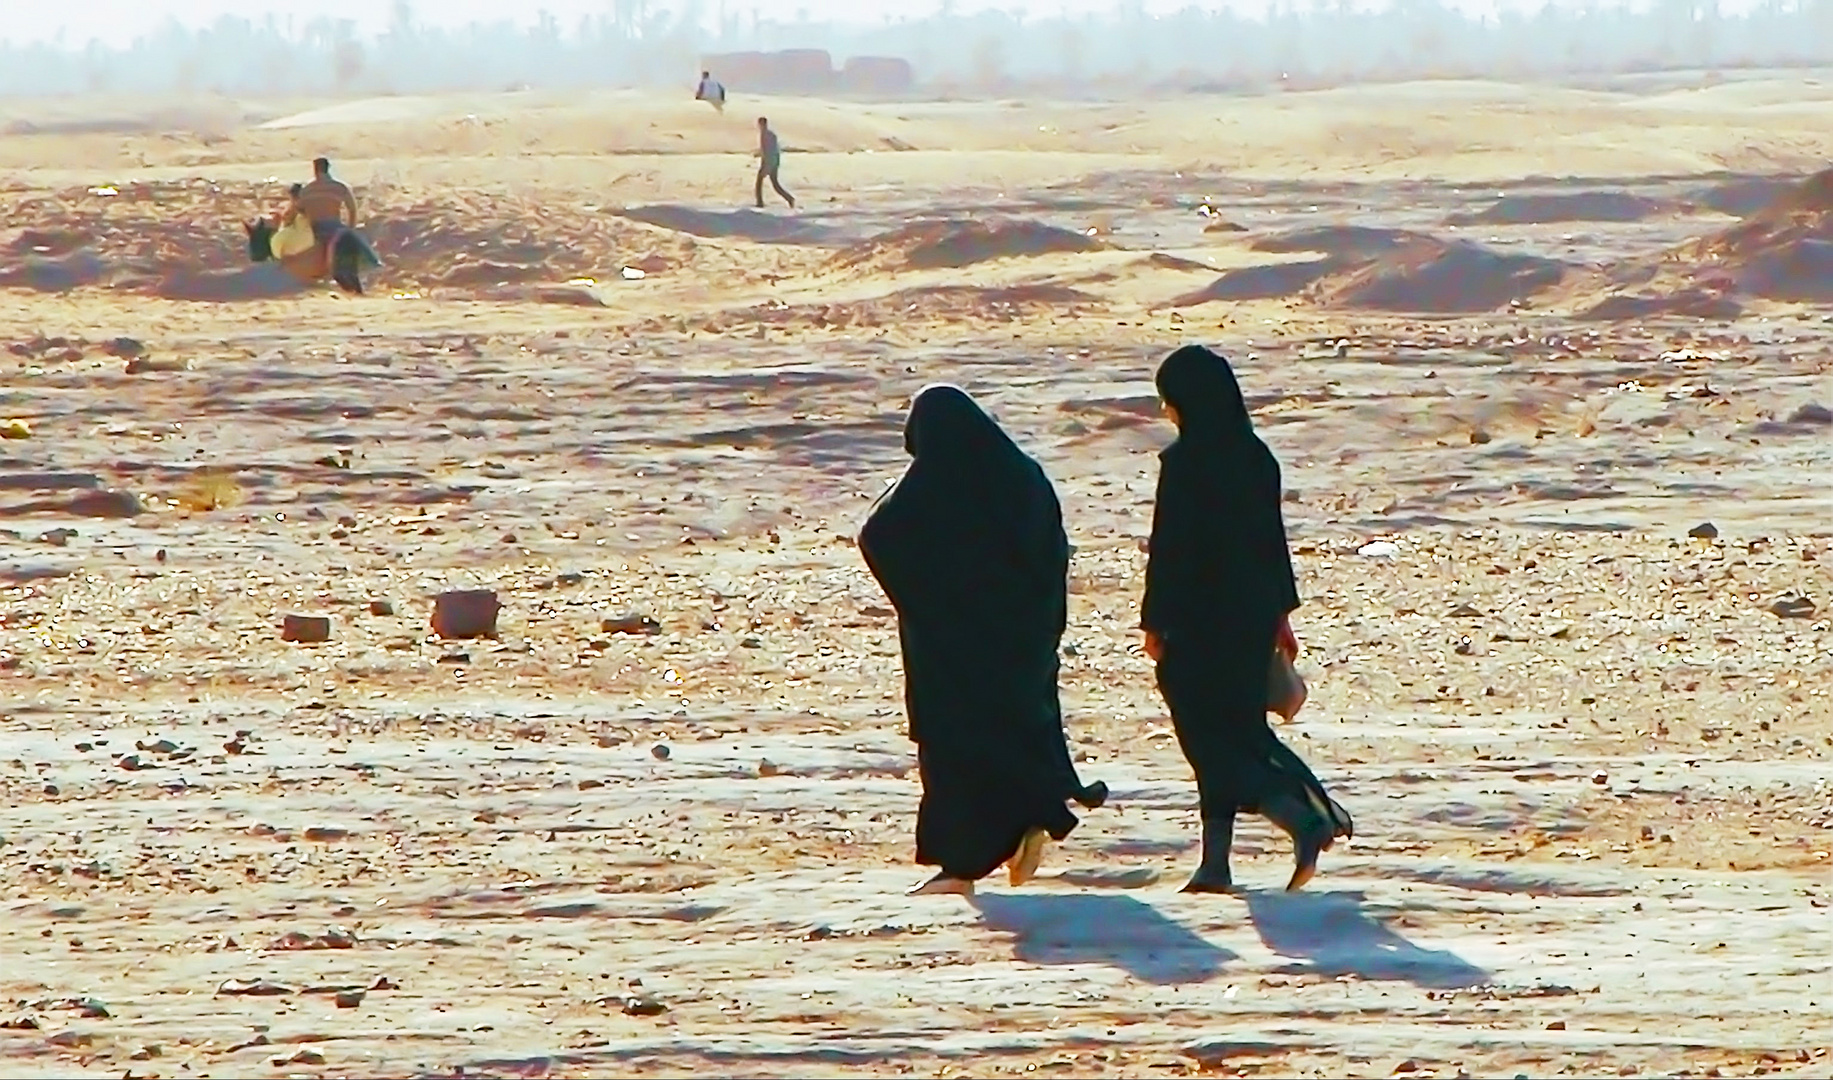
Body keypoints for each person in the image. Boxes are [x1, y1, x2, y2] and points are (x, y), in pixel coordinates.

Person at [859, 385, 1106, 897]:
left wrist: (928, 599)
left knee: (956, 753)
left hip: (953, 650)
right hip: (1022, 639)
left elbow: (877, 535)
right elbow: (1052, 552)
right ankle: (1024, 824)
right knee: (1015, 731)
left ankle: (961, 866)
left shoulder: (932, 486)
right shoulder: (1023, 477)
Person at [1140, 344, 1353, 894]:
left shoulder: (1184, 465)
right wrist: (1280, 617)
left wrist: (1155, 621)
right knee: (1238, 732)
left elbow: (1172, 551)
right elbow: (1271, 546)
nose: (1167, 411)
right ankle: (1220, 863)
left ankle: (1299, 818)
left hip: (1195, 625)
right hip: (1249, 622)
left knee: (1210, 740)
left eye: (1169, 400)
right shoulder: (1257, 459)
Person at [296, 156, 359, 254]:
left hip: (313, 229)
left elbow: (299, 210)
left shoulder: (307, 190)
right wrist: (350, 229)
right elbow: (352, 209)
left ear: (315, 170)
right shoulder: (339, 187)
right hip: (334, 227)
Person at [754, 117, 795, 210]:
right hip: (771, 161)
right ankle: (789, 198)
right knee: (774, 184)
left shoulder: (767, 135)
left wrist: (767, 165)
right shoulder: (768, 134)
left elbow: (769, 151)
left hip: (770, 161)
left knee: (761, 182)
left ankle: (760, 202)